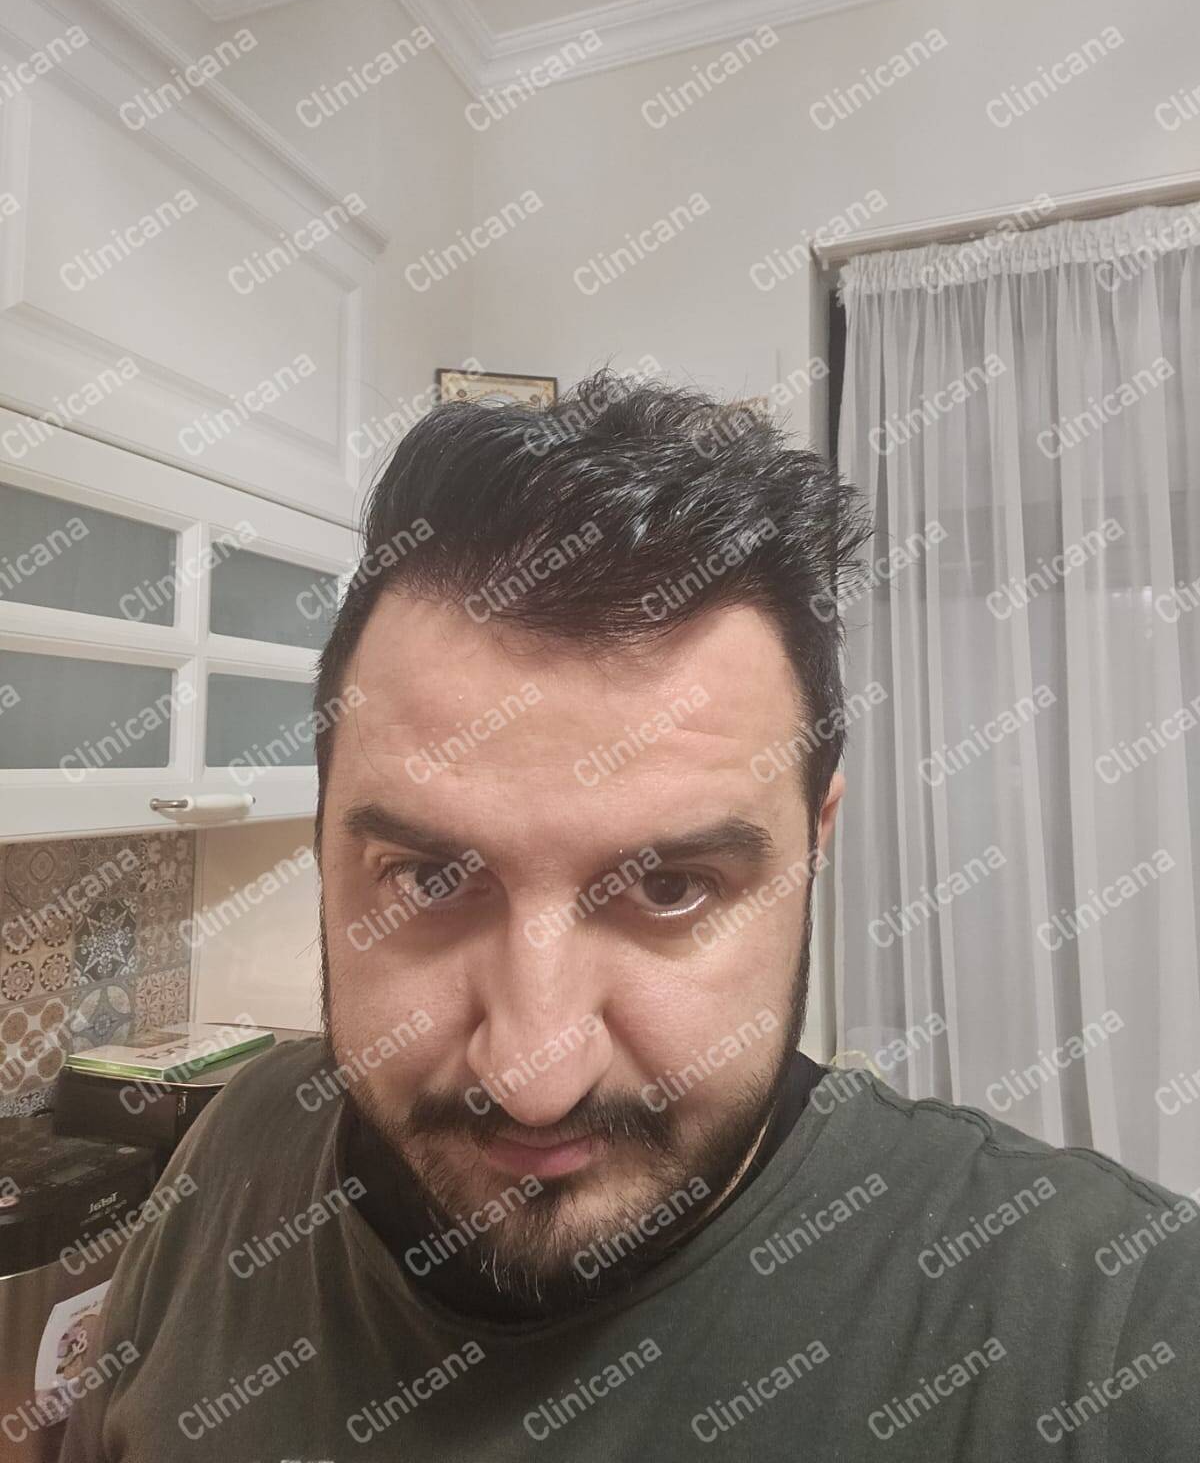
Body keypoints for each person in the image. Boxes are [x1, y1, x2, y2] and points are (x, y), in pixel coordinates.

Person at [60, 372, 1199, 1459]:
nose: (535, 1077)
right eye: (431, 878)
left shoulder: (1106, 1324)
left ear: (816, 844)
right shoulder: (243, 1143)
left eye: (668, 887)